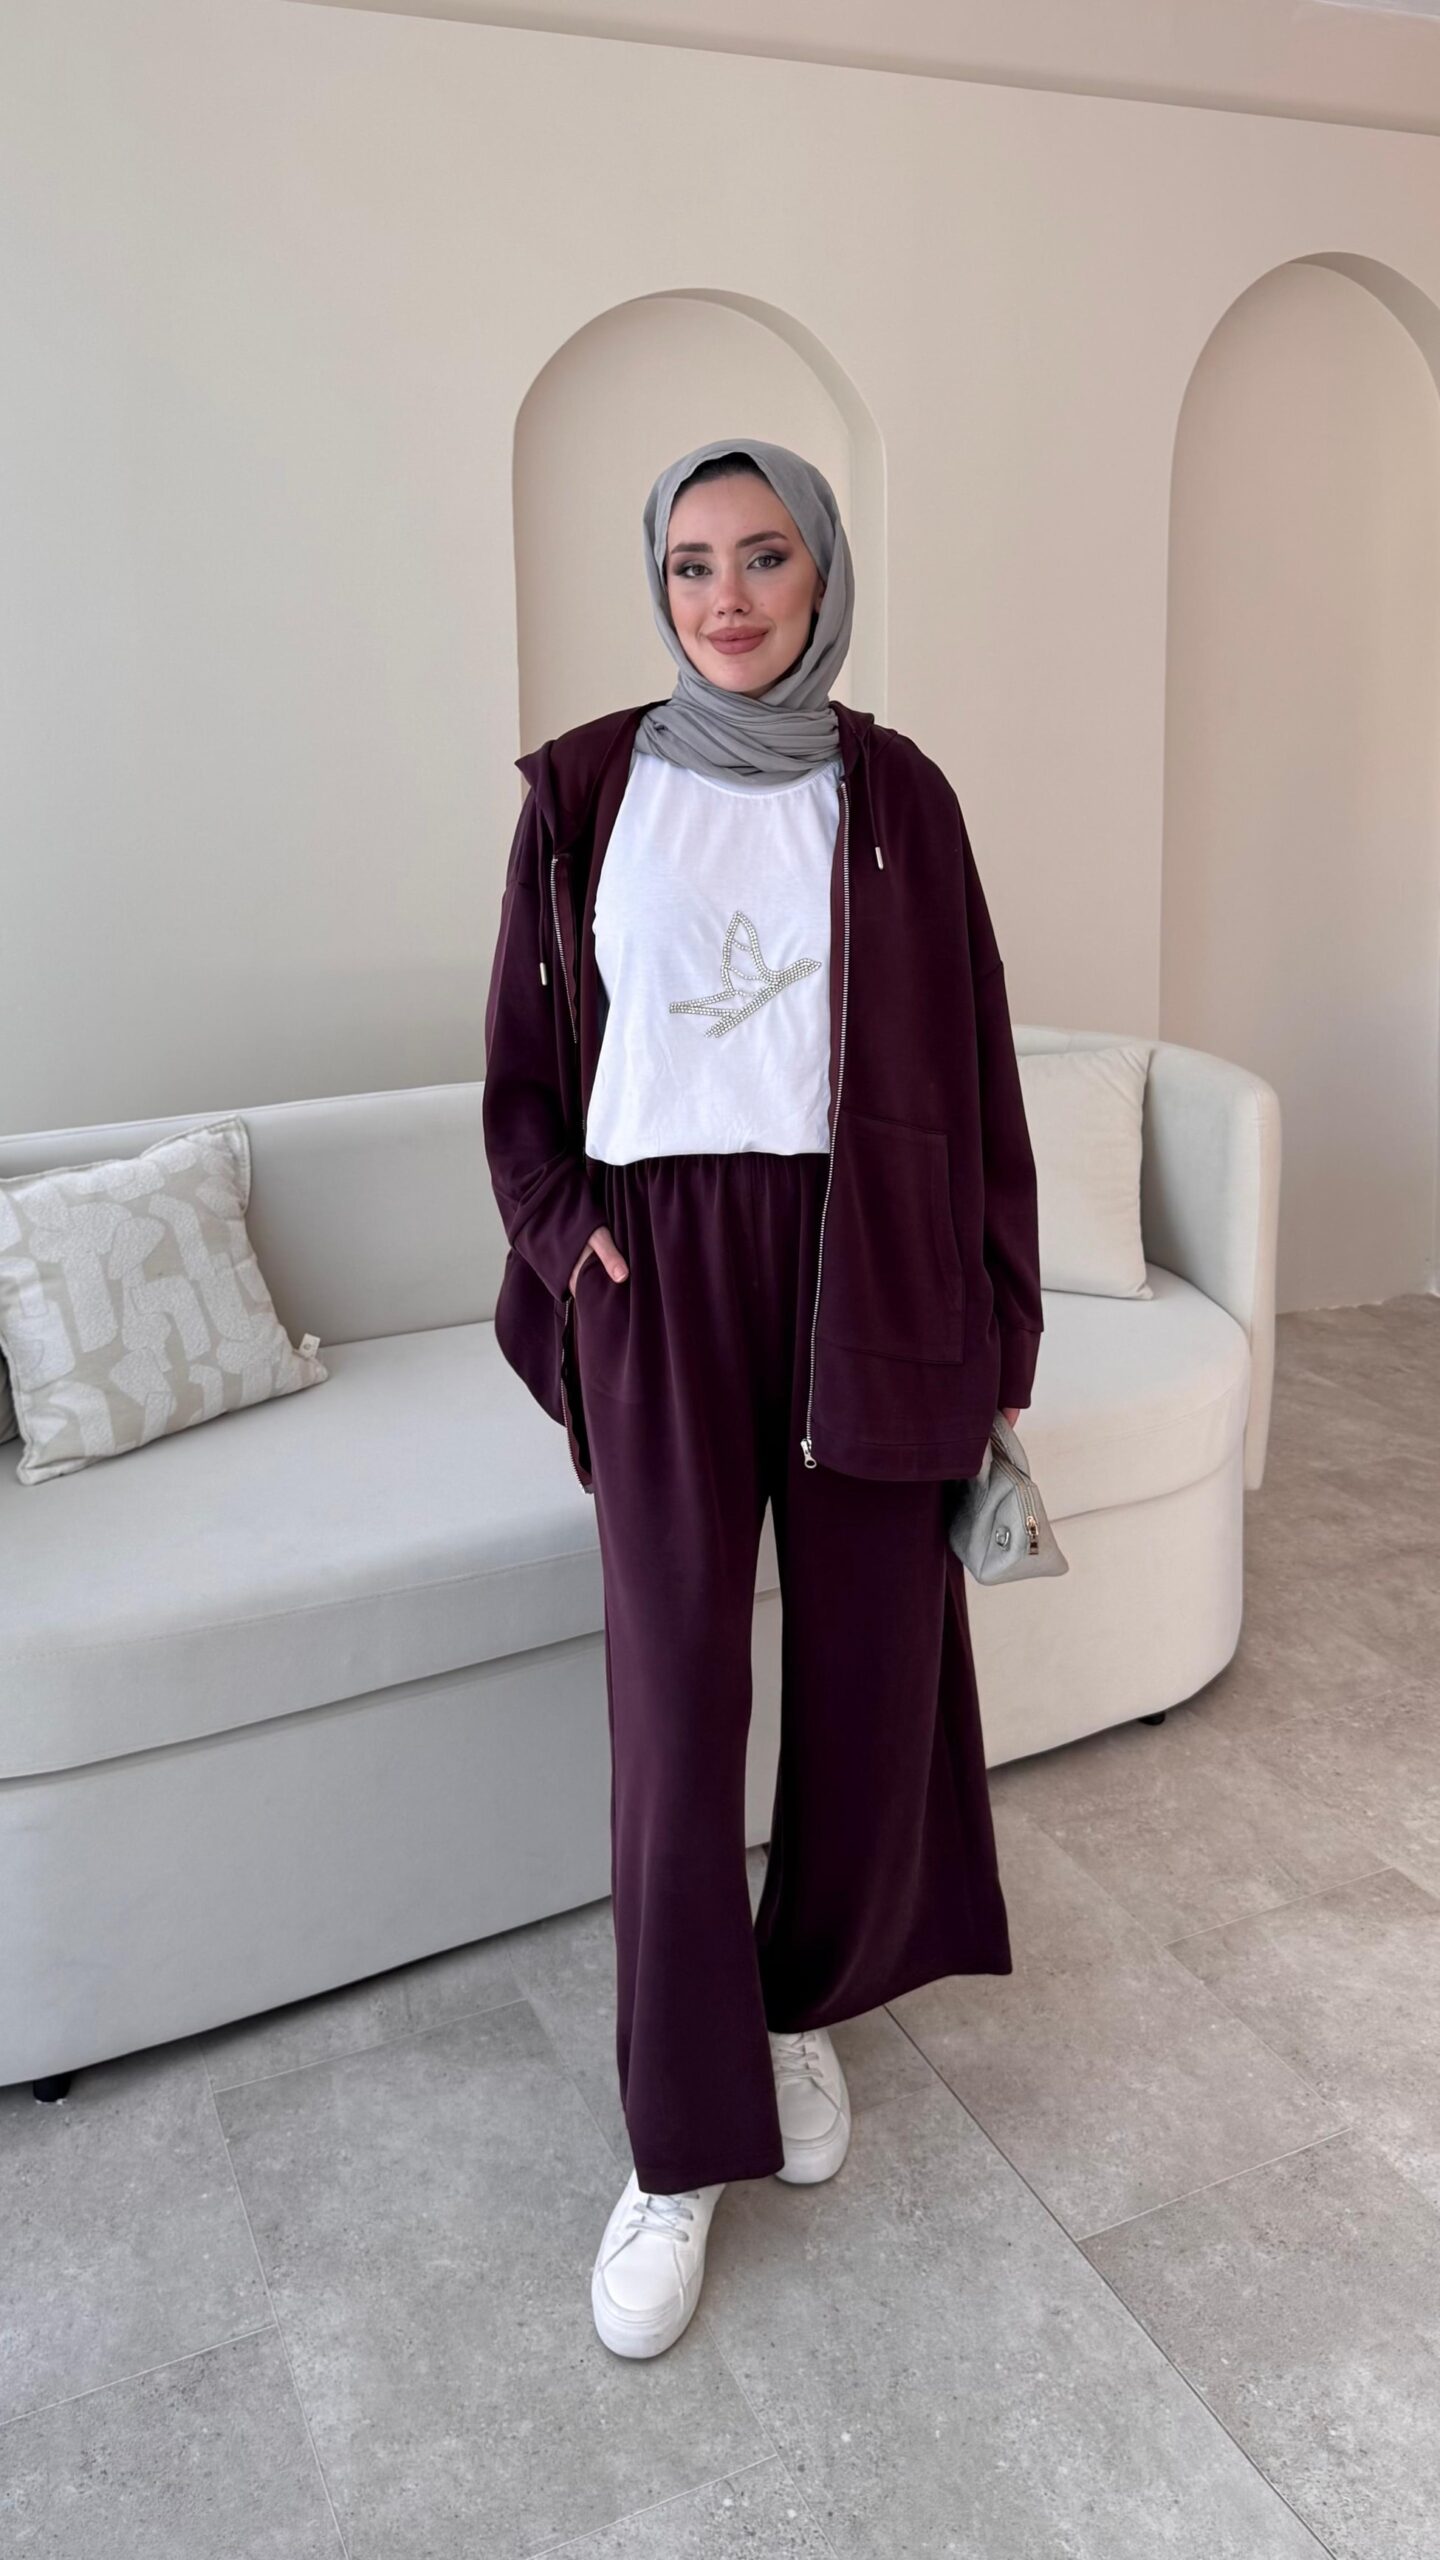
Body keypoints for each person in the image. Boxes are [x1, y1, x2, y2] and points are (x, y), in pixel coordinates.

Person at [482, 436, 1043, 2361]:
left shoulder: (902, 794)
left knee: (877, 1670)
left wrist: (994, 1328)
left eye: (765, 557)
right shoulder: (584, 790)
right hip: (658, 1272)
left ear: (823, 576)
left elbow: (976, 1067)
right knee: (674, 1705)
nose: (726, 598)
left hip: (865, 1259)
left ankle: (798, 2006)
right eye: (692, 564)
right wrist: (566, 1238)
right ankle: (676, 2140)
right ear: (659, 586)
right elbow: (522, 1062)